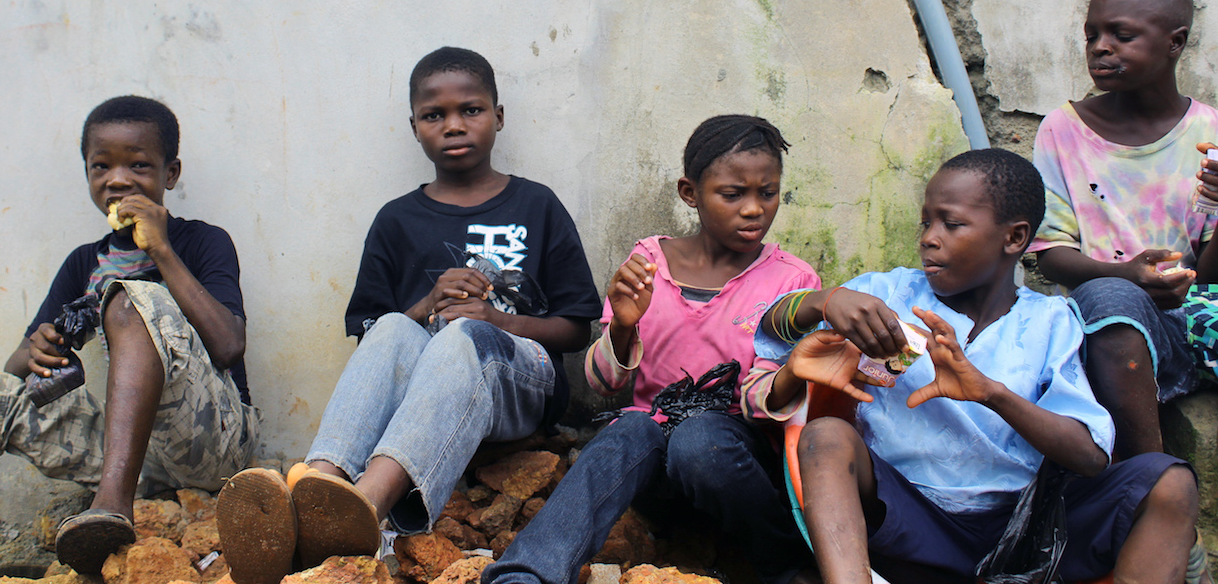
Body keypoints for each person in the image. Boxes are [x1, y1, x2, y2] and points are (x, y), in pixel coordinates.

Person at [216, 47, 601, 584]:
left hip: (520, 385)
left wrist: (497, 319)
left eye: (471, 109)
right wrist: (425, 305)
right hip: (433, 386)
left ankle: (365, 507)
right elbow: (374, 340)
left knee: (466, 332)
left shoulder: (537, 205)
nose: (453, 125)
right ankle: (319, 487)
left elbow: (577, 328)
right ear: (414, 127)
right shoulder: (396, 220)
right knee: (397, 324)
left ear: (499, 116)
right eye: (434, 115)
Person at [753, 148, 1202, 584]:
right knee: (825, 437)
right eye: (926, 222)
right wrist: (822, 300)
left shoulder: (1049, 321)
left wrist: (991, 393)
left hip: (1027, 526)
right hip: (909, 517)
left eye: (951, 224)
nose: (929, 237)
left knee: (1170, 480)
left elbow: (1089, 456)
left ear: (1014, 238)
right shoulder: (888, 295)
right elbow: (772, 326)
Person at [482, 115, 819, 584]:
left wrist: (796, 374)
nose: (754, 209)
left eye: (768, 192)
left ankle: (788, 567)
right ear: (689, 193)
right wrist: (622, 326)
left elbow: (764, 409)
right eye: (732, 194)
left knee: (700, 439)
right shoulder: (649, 264)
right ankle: (525, 575)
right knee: (631, 425)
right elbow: (603, 384)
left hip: (735, 469)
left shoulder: (791, 281)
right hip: (653, 473)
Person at [0, 96, 257, 582]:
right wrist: (35, 350)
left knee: (129, 300)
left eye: (139, 165)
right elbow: (13, 374)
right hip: (126, 449)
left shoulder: (201, 241)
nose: (118, 179)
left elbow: (229, 345)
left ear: (170, 174)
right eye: (101, 166)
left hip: (210, 443)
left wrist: (162, 251)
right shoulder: (84, 262)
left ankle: (111, 507)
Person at [1030, 0, 1218, 459]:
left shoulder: (1209, 134)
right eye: (1092, 34)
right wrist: (1125, 275)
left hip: (1192, 323)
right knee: (1111, 296)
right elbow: (1050, 255)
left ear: (1174, 42)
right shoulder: (1063, 131)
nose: (1100, 46)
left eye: (1122, 35)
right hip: (1102, 323)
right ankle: (1149, 480)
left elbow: (1208, 279)